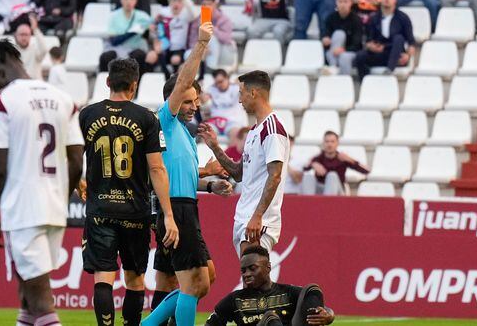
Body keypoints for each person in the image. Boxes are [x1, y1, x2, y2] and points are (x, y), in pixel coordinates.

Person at [0, 40, 84, 326]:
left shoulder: (2, 101)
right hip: (54, 208)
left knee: (41, 301)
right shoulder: (65, 99)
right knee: (27, 296)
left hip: (22, 209)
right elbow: (77, 162)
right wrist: (61, 199)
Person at [143, 22, 233, 326]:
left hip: (186, 206)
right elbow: (183, 81)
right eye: (189, 100)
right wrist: (202, 45)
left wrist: (208, 183)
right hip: (176, 209)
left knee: (204, 278)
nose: (195, 106)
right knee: (195, 284)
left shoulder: (182, 131)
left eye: (197, 101)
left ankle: (149, 324)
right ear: (174, 98)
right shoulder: (164, 120)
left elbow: (181, 173)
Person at [78, 57, 179, 326]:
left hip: (100, 210)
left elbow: (75, 158)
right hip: (135, 211)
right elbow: (157, 169)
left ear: (108, 82)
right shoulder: (146, 118)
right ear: (134, 85)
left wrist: (79, 181)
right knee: (134, 279)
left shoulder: (87, 115)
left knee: (103, 277)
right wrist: (168, 214)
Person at [199, 70, 290, 256]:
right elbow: (239, 173)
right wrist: (216, 147)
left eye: (241, 93)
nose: (239, 100)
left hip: (258, 221)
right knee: (251, 278)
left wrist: (258, 216)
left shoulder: (272, 129)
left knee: (255, 278)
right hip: (244, 216)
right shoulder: (255, 130)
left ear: (254, 93)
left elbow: (275, 175)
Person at [205, 246, 335, 326]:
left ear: (268, 267)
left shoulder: (287, 292)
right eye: (243, 271)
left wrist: (329, 315)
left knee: (312, 290)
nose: (247, 274)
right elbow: (212, 322)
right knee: (270, 318)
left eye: (252, 268)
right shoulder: (235, 299)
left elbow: (324, 309)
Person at [353, 0, 416, 80]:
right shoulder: (373, 18)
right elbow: (368, 40)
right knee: (360, 56)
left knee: (399, 38)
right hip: (380, 52)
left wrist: (408, 56)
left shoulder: (403, 18)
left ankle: (390, 70)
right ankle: (365, 82)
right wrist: (371, 46)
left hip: (396, 54)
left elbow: (411, 42)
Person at [99, 0, 158, 76]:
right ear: (121, 0)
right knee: (106, 57)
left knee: (139, 56)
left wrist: (154, 51)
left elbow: (151, 36)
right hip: (117, 48)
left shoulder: (143, 16)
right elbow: (113, 40)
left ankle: (137, 87)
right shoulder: (113, 16)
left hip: (136, 48)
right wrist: (135, 30)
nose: (128, 1)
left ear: (136, 0)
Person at [304, 131, 369, 196]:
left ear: (337, 143)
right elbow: (303, 170)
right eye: (327, 141)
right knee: (308, 177)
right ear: (323, 143)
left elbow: (366, 171)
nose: (329, 144)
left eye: (332, 141)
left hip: (338, 192)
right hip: (320, 190)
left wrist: (350, 160)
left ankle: (328, 204)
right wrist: (312, 164)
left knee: (332, 176)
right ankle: (307, 203)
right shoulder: (318, 158)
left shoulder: (342, 158)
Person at [155, 0, 196, 78]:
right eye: (173, 1)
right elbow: (156, 29)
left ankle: (176, 79)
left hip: (180, 50)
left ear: (183, 3)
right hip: (166, 47)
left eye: (178, 1)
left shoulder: (185, 16)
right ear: (169, 2)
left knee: (175, 59)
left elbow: (193, 13)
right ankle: (166, 79)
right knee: (154, 53)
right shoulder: (164, 14)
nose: (176, 4)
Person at [187, 0, 234, 73]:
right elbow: (191, 42)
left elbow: (227, 39)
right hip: (202, 52)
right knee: (187, 54)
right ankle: (196, 72)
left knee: (211, 37)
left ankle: (211, 69)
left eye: (209, 4)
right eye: (204, 4)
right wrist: (201, 48)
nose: (206, 7)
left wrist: (211, 27)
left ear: (215, 5)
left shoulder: (224, 19)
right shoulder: (197, 20)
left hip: (222, 51)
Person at [321, 0, 363, 76]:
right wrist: (325, 39)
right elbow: (325, 34)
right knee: (338, 34)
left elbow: (357, 43)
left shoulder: (356, 20)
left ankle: (336, 71)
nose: (343, 4)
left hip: (350, 52)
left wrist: (343, 50)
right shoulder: (331, 18)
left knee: (344, 57)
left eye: (345, 1)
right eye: (340, 1)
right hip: (333, 52)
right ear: (336, 2)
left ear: (351, 3)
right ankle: (334, 67)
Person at [203, 69, 247, 143]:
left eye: (221, 81)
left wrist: (239, 82)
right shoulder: (212, 89)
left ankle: (230, 154)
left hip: (232, 122)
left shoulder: (236, 88)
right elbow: (203, 100)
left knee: (235, 135)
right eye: (216, 83)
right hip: (216, 121)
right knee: (205, 133)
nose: (219, 85)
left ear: (227, 78)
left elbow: (248, 83)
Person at [14, 15, 48, 80]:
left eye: (26, 35)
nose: (24, 38)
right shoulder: (12, 52)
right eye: (21, 34)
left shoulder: (35, 50)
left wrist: (35, 29)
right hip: (19, 86)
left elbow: (44, 49)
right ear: (16, 36)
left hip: (34, 86)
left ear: (30, 36)